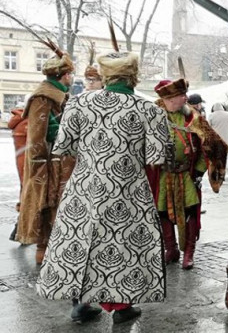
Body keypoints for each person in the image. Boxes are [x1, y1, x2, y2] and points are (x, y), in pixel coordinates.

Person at [36, 51, 169, 324]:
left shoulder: (78, 103)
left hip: (85, 187)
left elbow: (63, 147)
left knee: (80, 239)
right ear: (134, 76)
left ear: (105, 75)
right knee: (121, 244)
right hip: (128, 189)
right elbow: (159, 157)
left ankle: (81, 303)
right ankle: (121, 307)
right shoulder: (150, 110)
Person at [149, 79, 228, 270]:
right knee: (162, 213)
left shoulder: (194, 119)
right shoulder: (153, 117)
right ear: (169, 99)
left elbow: (211, 144)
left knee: (191, 211)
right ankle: (171, 249)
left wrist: (200, 172)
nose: (185, 98)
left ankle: (189, 253)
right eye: (180, 96)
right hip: (163, 174)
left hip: (187, 174)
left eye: (184, 95)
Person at [17, 48, 75, 265]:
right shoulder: (43, 97)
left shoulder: (59, 94)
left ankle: (55, 249)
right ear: (63, 75)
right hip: (48, 163)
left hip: (61, 162)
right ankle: (43, 250)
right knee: (46, 205)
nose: (71, 78)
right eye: (69, 74)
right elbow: (40, 134)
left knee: (59, 206)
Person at [8, 101, 28, 241]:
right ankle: (20, 231)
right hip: (29, 167)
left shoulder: (19, 121)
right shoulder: (27, 123)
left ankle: (19, 231)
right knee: (29, 195)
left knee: (26, 192)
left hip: (23, 166)